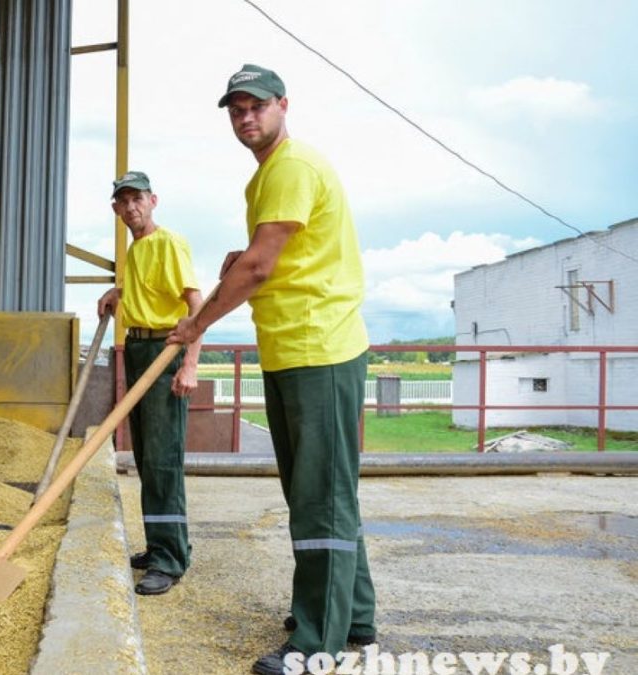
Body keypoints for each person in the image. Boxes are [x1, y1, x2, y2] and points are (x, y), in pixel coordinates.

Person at [166, 65, 377, 671]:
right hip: (291, 349)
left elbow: (259, 267)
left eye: (255, 105)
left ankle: (316, 644)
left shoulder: (292, 168)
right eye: (235, 109)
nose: (245, 118)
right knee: (318, 491)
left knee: (320, 498)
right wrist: (244, 259)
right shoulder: (265, 180)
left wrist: (197, 324)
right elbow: (268, 256)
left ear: (283, 105)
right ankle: (352, 615)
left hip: (321, 349)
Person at [97, 170, 203, 596]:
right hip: (138, 348)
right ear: (116, 209)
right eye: (123, 201)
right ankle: (160, 544)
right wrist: (117, 293)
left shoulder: (169, 243)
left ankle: (170, 559)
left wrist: (189, 365)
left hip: (164, 349)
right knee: (146, 455)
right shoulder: (135, 249)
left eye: (138, 198)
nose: (131, 207)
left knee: (163, 458)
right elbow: (145, 292)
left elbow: (196, 305)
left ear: (153, 200)